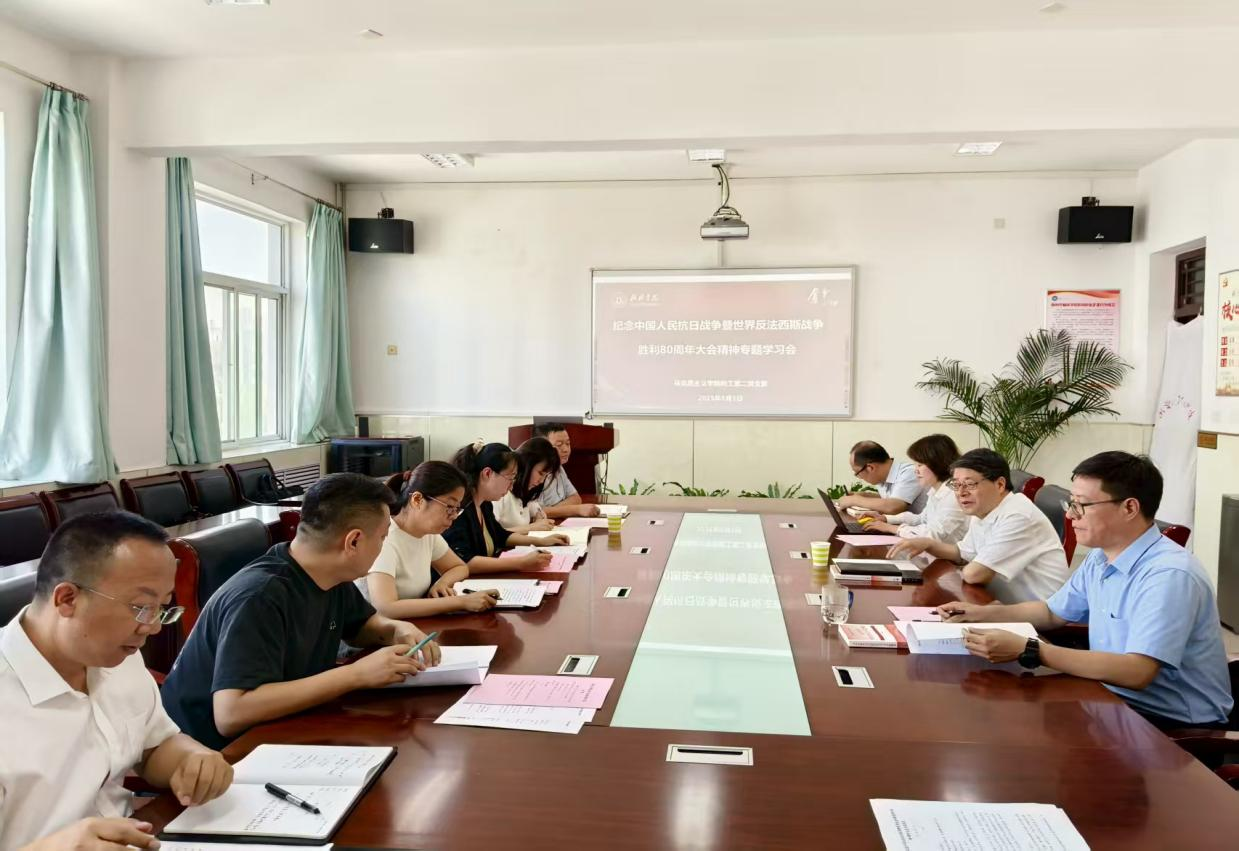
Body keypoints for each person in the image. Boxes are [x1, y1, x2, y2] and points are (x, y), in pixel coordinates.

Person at [938, 451, 1233, 729]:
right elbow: (1051, 612)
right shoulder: (1101, 557)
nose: (1070, 516)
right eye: (1071, 504)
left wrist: (1031, 650)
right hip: (1109, 697)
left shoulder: (1169, 575)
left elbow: (1138, 671)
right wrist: (981, 613)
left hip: (1167, 723)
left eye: (1081, 505)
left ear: (1129, 508)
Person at [1, 513, 233, 851]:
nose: (153, 627)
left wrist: (192, 759)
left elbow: (154, 747)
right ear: (67, 599)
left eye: (162, 607)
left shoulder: (117, 658)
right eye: (141, 607)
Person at [160, 473, 442, 750]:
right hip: (212, 756)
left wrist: (396, 629)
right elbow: (231, 714)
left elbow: (361, 626)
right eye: (382, 537)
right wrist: (356, 675)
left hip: (286, 728)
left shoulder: (328, 573)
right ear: (353, 542)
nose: (383, 546)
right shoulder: (259, 597)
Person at [889, 448, 1069, 603]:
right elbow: (963, 553)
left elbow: (974, 574)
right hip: (996, 603)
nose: (961, 493)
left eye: (969, 484)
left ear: (1000, 484)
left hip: (1033, 617)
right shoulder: (985, 508)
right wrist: (928, 544)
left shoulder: (1018, 516)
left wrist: (966, 567)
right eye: (956, 485)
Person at [365, 461, 500, 618]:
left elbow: (459, 567)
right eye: (449, 507)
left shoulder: (428, 534)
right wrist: (460, 602)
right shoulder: (385, 538)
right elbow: (385, 608)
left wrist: (442, 583)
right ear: (417, 500)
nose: (454, 516)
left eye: (457, 509)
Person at [444, 441, 569, 575]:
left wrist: (542, 541)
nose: (511, 486)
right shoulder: (459, 510)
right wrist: (521, 563)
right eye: (510, 478)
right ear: (487, 474)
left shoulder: (484, 504)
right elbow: (463, 561)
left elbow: (501, 535)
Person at [856, 434, 968, 544]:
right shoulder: (936, 490)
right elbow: (921, 519)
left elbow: (933, 534)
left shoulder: (954, 493)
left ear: (937, 463)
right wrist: (885, 518)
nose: (916, 470)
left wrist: (892, 528)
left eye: (920, 465)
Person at [836, 440, 929, 515]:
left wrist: (855, 500)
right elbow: (891, 497)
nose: (859, 477)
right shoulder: (882, 476)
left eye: (857, 473)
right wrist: (864, 495)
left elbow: (894, 507)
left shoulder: (909, 472)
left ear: (870, 468)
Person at [532, 423, 601, 519]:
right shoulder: (534, 473)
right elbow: (535, 513)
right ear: (541, 447)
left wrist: (553, 511)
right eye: (559, 445)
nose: (566, 449)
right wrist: (576, 510)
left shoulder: (559, 467)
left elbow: (576, 498)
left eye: (568, 444)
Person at [493, 437, 560, 533]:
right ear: (527, 464)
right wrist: (532, 527)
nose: (541, 481)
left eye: (546, 476)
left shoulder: (525, 492)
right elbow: (490, 535)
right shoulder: (500, 493)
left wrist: (539, 518)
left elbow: (538, 513)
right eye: (540, 473)